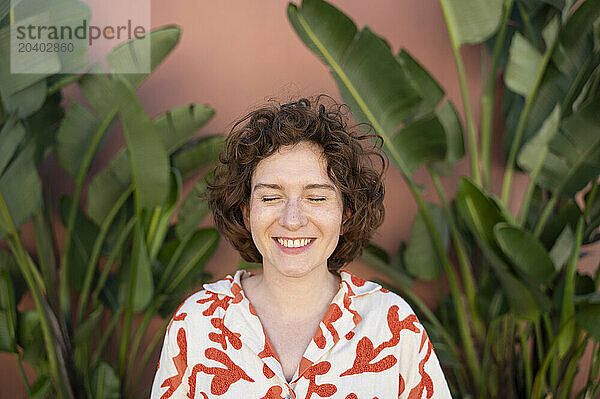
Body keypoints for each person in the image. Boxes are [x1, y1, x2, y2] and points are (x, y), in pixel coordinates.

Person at [150, 96, 451, 398]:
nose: (292, 220)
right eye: (270, 198)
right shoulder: (196, 323)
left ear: (346, 213)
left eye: (316, 198)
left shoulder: (392, 324)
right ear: (246, 212)